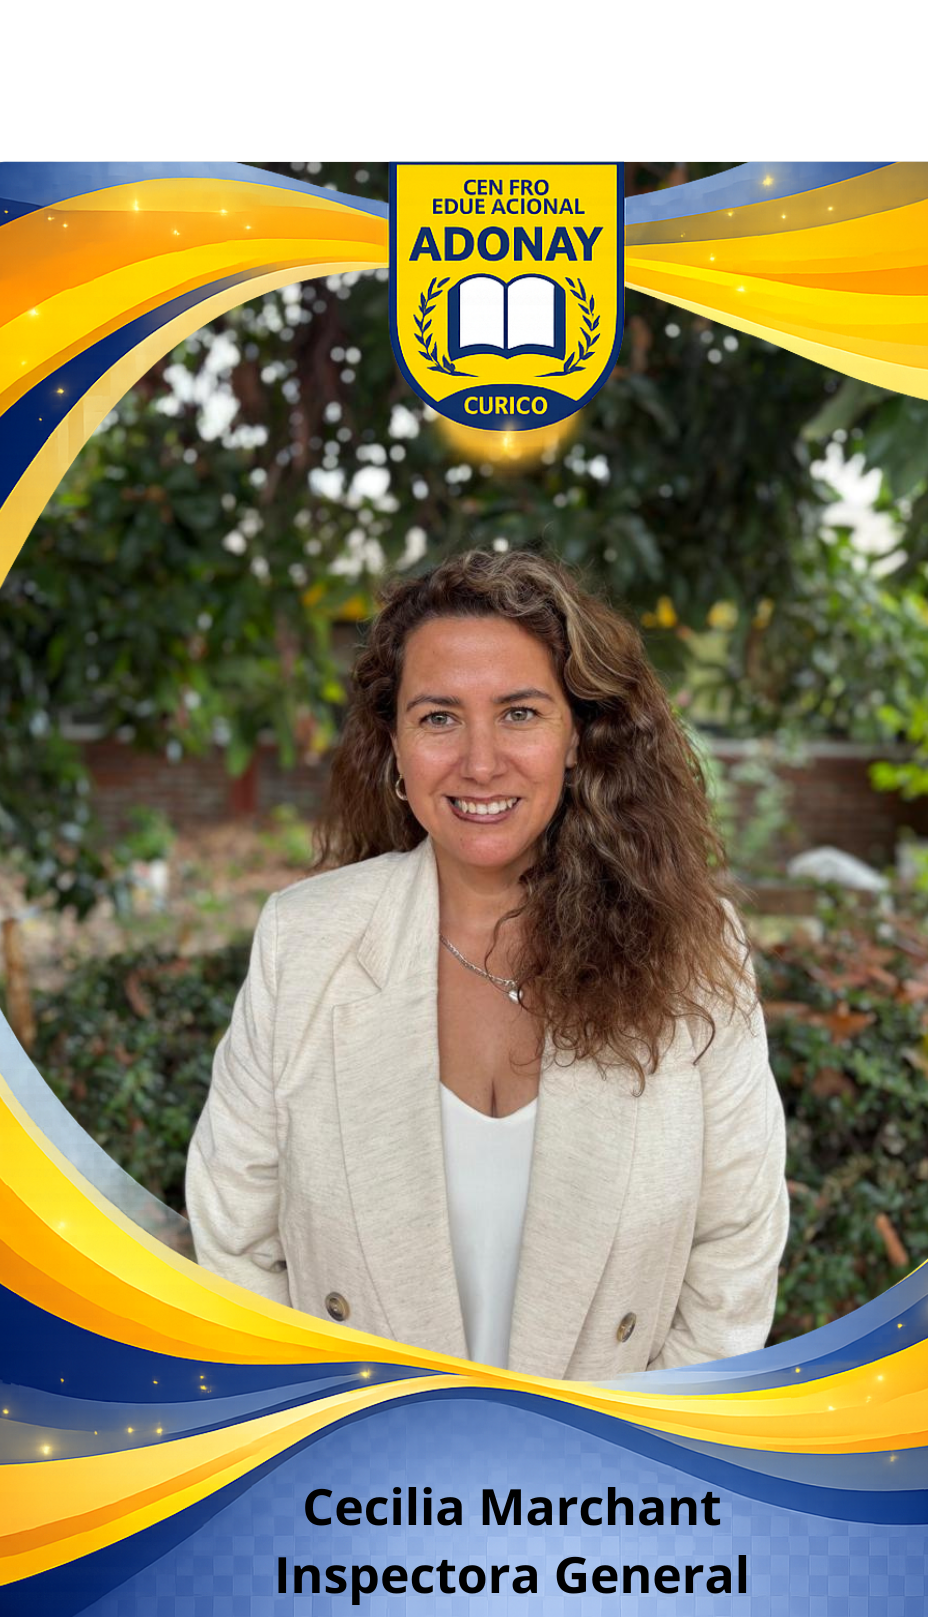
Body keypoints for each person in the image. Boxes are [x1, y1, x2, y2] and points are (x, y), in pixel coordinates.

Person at [185, 548, 788, 1380]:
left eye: (520, 713)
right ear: (394, 745)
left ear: (577, 737)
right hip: (365, 1446)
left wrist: (634, 1441)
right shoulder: (305, 940)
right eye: (438, 717)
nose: (479, 762)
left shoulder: (693, 947)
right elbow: (235, 1237)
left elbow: (736, 1249)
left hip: (606, 1451)